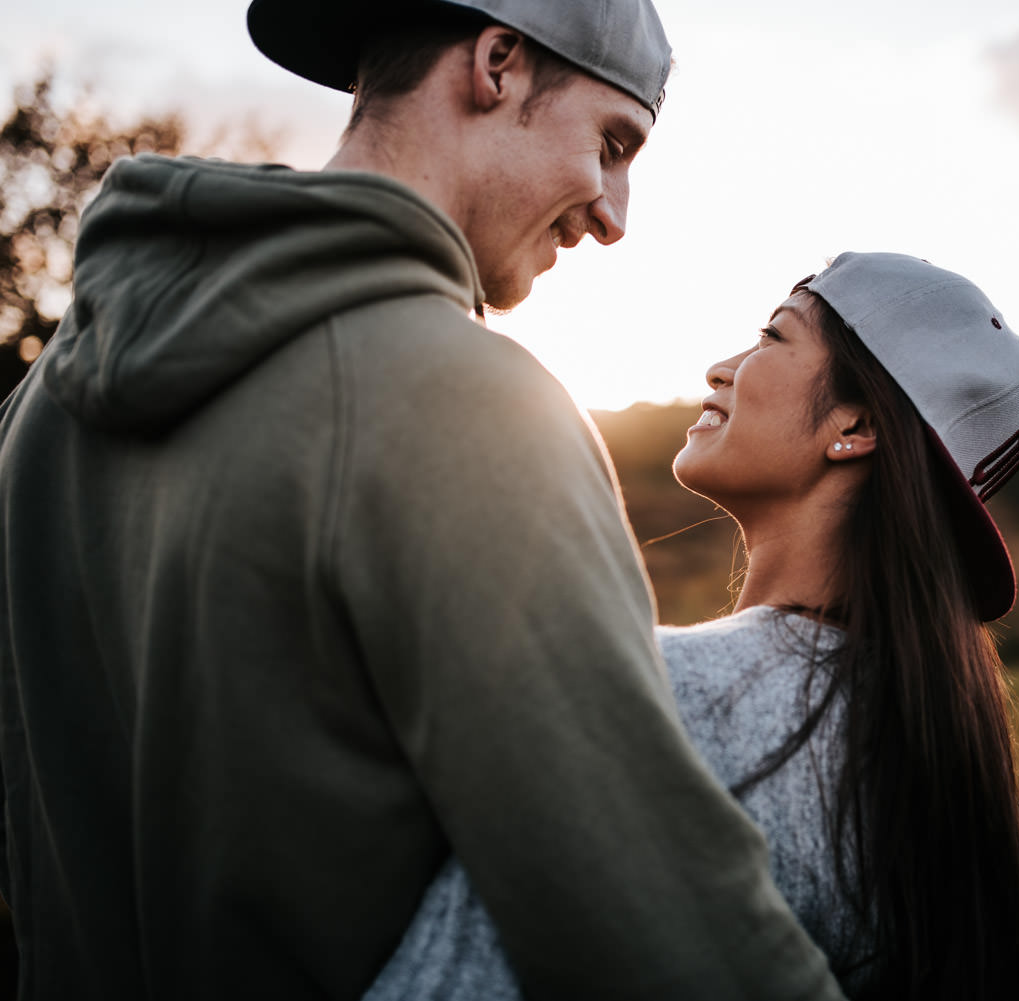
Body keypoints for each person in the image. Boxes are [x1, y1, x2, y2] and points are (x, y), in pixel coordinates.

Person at [0, 2, 848, 999]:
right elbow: (653, 915)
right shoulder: (471, 404)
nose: (615, 214)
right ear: (497, 65)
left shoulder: (40, 406)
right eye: (612, 143)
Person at [369, 251, 1019, 1001]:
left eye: (772, 337)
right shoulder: (922, 742)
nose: (723, 367)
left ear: (857, 423)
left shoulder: (674, 698)